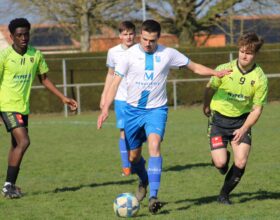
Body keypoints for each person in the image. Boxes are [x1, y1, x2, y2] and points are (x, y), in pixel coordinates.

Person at [97, 19, 231, 214]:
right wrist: (104, 109)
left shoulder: (168, 54)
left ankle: (153, 197)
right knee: (134, 157)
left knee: (154, 147)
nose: (147, 43)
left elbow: (194, 67)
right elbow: (115, 83)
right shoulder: (128, 56)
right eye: (144, 39)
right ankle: (143, 180)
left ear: (158, 38)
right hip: (132, 111)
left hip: (156, 110)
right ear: (140, 36)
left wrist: (215, 73)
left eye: (152, 40)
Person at [0, 18, 78, 199]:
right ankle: (9, 186)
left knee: (15, 145)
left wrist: (64, 98)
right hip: (7, 105)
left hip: (23, 107)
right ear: (11, 37)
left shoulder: (36, 55)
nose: (23, 38)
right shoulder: (4, 56)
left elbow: (44, 79)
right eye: (19, 35)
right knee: (24, 142)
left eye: (26, 34)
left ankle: (7, 186)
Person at [203, 32, 268, 205]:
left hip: (241, 122)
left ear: (255, 54)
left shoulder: (260, 78)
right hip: (218, 121)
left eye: (249, 53)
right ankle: (220, 160)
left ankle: (224, 195)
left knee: (241, 161)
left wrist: (244, 128)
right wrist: (206, 105)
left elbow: (256, 109)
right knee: (220, 163)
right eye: (242, 51)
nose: (244, 55)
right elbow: (209, 88)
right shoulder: (224, 69)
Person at [99, 21, 136, 177]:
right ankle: (126, 166)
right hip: (121, 99)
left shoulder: (141, 50)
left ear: (135, 34)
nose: (128, 37)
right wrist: (105, 94)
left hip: (138, 99)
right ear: (120, 35)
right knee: (123, 132)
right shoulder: (113, 52)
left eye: (131, 33)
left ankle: (136, 161)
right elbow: (110, 74)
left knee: (138, 133)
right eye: (125, 34)